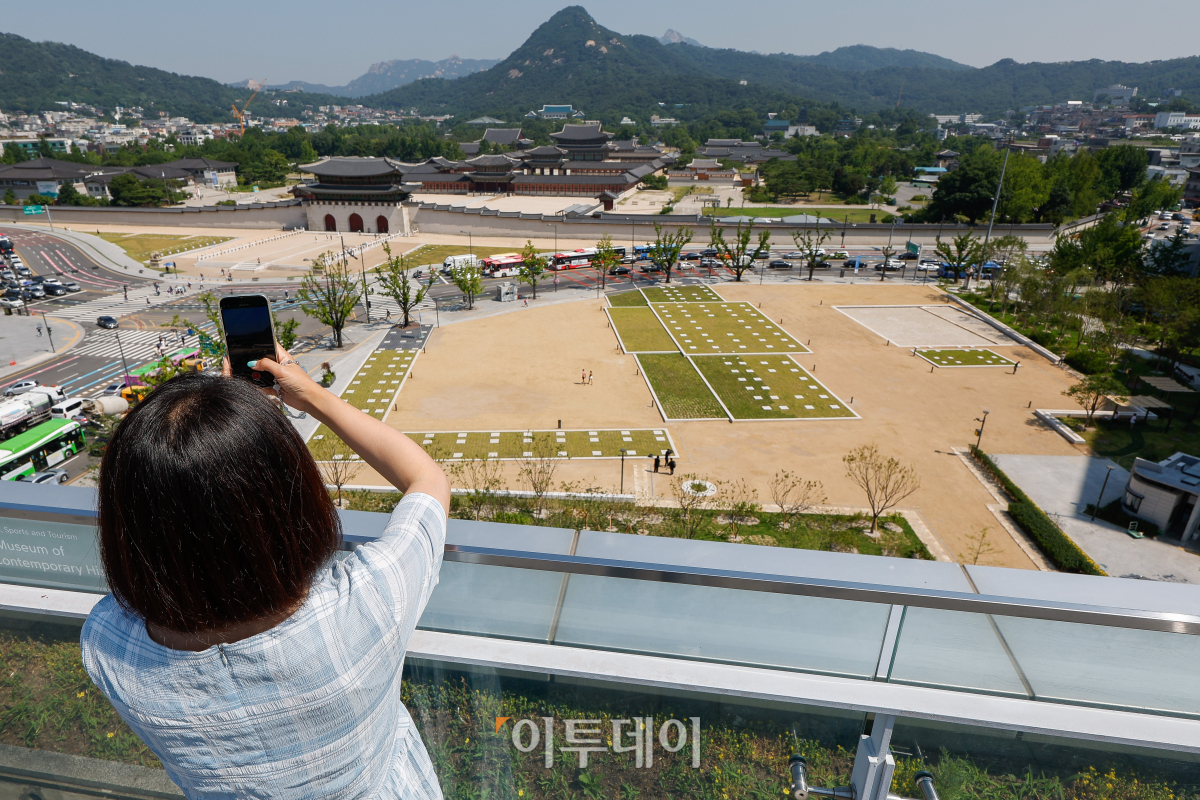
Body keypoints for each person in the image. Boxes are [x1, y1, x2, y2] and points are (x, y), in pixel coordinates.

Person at [80, 348, 451, 800]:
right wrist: (310, 397)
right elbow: (427, 480)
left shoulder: (107, 647)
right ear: (293, 503)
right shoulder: (371, 600)